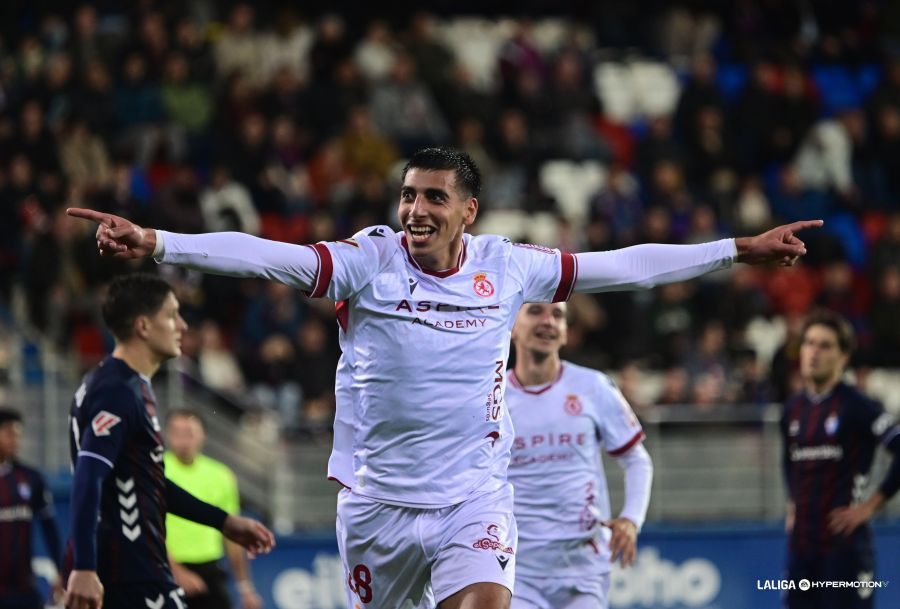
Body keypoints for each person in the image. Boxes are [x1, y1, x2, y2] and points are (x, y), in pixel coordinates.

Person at [69, 147, 821, 609]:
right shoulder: (368, 261)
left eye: (433, 197)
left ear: (468, 209)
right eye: (408, 195)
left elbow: (622, 267)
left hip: (474, 494)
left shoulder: (509, 265)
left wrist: (735, 248)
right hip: (377, 504)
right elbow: (266, 253)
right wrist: (158, 242)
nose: (414, 210)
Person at [65, 273, 275, 609]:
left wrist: (223, 521)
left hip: (134, 570)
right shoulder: (117, 392)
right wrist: (84, 568)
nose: (182, 325)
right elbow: (88, 477)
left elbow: (149, 481)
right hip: (127, 572)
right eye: (172, 315)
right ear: (143, 326)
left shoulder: (124, 385)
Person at [506, 302, 652, 609]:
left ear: (565, 334)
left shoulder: (592, 386)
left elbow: (636, 459)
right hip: (518, 570)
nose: (548, 321)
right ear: (510, 325)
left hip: (584, 567)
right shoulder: (492, 397)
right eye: (535, 312)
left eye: (557, 315)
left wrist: (631, 519)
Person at [782, 310, 900, 609]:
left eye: (825, 345)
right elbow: (789, 459)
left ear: (844, 356)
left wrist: (869, 507)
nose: (813, 352)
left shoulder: (857, 405)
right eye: (809, 343)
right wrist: (793, 502)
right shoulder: (793, 410)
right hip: (802, 548)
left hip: (845, 547)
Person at [164, 409, 263, 609]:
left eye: (190, 433)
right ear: (167, 435)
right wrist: (176, 571)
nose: (184, 441)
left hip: (210, 571)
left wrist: (245, 588)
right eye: (177, 433)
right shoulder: (156, 470)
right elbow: (148, 527)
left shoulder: (221, 475)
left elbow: (232, 536)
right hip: (165, 570)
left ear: (203, 435)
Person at [0, 409, 64, 609]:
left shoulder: (30, 478)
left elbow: (49, 528)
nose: (16, 440)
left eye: (18, 434)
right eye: (9, 433)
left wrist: (60, 570)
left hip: (23, 588)